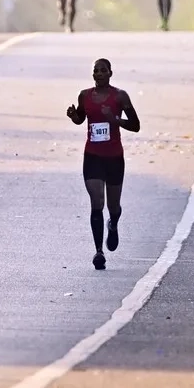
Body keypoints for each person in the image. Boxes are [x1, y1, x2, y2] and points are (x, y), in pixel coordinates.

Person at [66, 58, 141, 270]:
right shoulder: (84, 95)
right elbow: (81, 118)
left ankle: (114, 223)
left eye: (102, 71)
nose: (98, 74)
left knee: (113, 206)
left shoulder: (120, 96)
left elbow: (135, 126)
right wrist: (73, 116)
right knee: (96, 202)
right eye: (95, 71)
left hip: (114, 158)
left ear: (110, 73)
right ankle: (99, 252)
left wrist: (114, 119)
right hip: (92, 157)